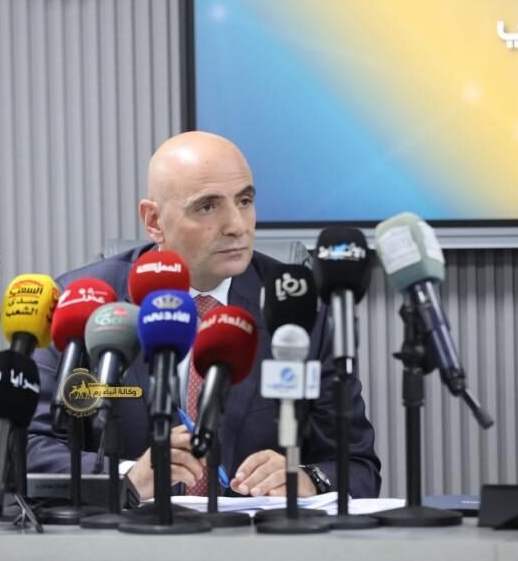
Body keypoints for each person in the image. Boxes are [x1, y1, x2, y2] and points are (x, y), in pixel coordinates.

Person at [27, 131, 380, 501]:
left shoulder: (299, 306)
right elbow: (28, 449)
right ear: (154, 220)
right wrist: (127, 477)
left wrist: (307, 479)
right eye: (207, 207)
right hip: (127, 532)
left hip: (252, 533)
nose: (237, 225)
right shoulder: (81, 302)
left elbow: (357, 466)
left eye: (245, 201)